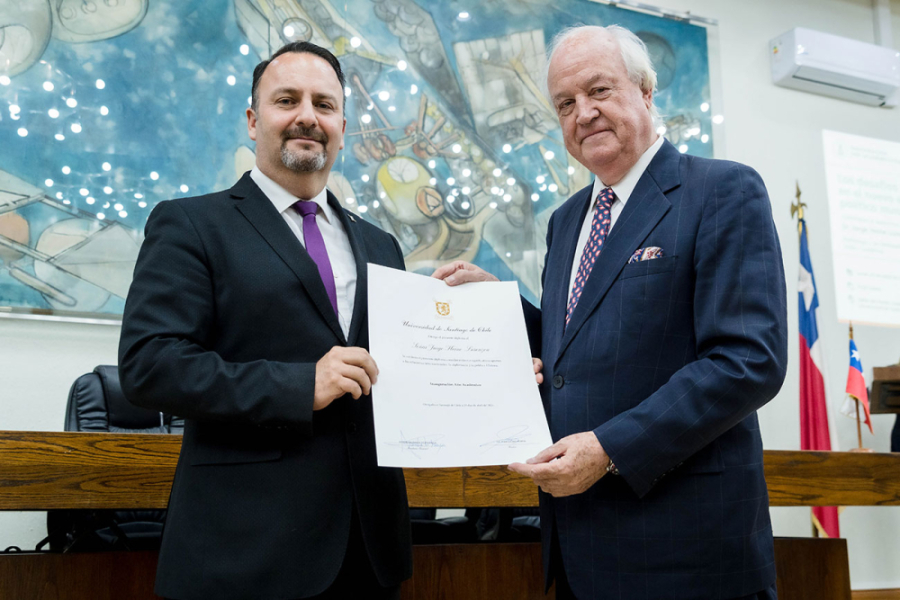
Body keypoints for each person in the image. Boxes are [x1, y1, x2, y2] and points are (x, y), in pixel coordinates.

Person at [433, 25, 787, 600]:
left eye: (599, 91)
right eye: (566, 103)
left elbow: (747, 360)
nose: (584, 113)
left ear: (645, 92)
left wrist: (609, 450)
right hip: (580, 547)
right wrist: (497, 309)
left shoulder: (723, 190)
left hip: (686, 553)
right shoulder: (565, 220)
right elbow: (575, 348)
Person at [118, 42, 411, 600]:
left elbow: (394, 373)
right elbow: (149, 364)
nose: (308, 116)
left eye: (324, 104)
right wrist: (302, 385)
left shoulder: (382, 244)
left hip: (367, 552)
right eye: (287, 100)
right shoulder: (190, 224)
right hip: (245, 551)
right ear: (254, 122)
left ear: (342, 128)